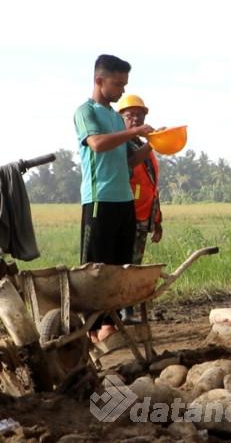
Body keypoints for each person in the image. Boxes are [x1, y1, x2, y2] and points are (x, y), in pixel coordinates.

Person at [74, 54, 153, 341]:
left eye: (124, 84)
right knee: (97, 267)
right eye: (118, 84)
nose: (121, 91)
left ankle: (112, 322)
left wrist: (152, 145)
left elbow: (128, 162)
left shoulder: (117, 119)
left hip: (124, 201)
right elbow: (96, 144)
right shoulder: (87, 112)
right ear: (99, 80)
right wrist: (133, 131)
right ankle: (94, 328)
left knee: (120, 267)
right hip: (100, 200)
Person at [117, 94, 163, 264]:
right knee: (122, 267)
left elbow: (151, 188)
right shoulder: (119, 145)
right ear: (119, 118)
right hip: (125, 216)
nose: (136, 119)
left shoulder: (142, 146)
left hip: (142, 218)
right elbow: (127, 164)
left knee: (133, 267)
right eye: (130, 115)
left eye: (140, 115)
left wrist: (157, 220)